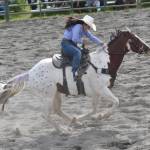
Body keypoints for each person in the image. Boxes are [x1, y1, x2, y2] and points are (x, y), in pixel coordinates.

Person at [61, 15, 106, 81]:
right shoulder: (78, 27)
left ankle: (80, 69)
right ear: (85, 24)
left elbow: (91, 37)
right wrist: (83, 41)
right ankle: (75, 72)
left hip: (71, 44)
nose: (89, 28)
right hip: (66, 44)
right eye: (89, 27)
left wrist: (101, 43)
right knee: (77, 53)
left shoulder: (83, 28)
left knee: (84, 53)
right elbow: (74, 39)